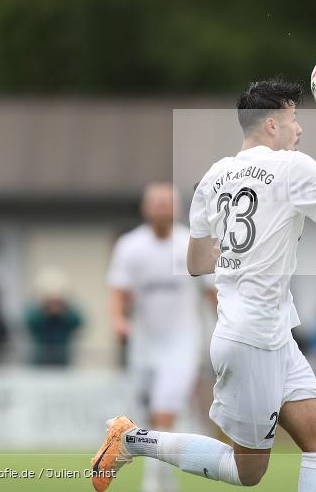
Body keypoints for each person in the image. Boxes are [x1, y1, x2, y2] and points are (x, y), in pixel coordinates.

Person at [91, 79, 316, 492]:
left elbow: (195, 263)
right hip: (253, 336)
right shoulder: (296, 166)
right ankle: (132, 440)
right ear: (273, 125)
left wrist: (251, 249)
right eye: (294, 120)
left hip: (268, 333)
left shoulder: (213, 176)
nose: (300, 130)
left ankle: (132, 440)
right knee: (248, 472)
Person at [105, 182, 207, 492]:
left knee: (165, 409)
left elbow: (213, 291)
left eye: (168, 203)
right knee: (149, 412)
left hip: (183, 341)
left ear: (177, 208)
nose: (162, 208)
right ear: (145, 208)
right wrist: (119, 319)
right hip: (145, 342)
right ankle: (164, 476)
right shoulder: (130, 246)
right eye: (157, 203)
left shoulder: (192, 242)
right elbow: (119, 291)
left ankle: (154, 481)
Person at [25, 266, 83, 367]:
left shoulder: (68, 310)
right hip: (40, 359)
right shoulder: (36, 310)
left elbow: (78, 322)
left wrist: (63, 313)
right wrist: (45, 313)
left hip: (63, 359)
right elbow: (28, 323)